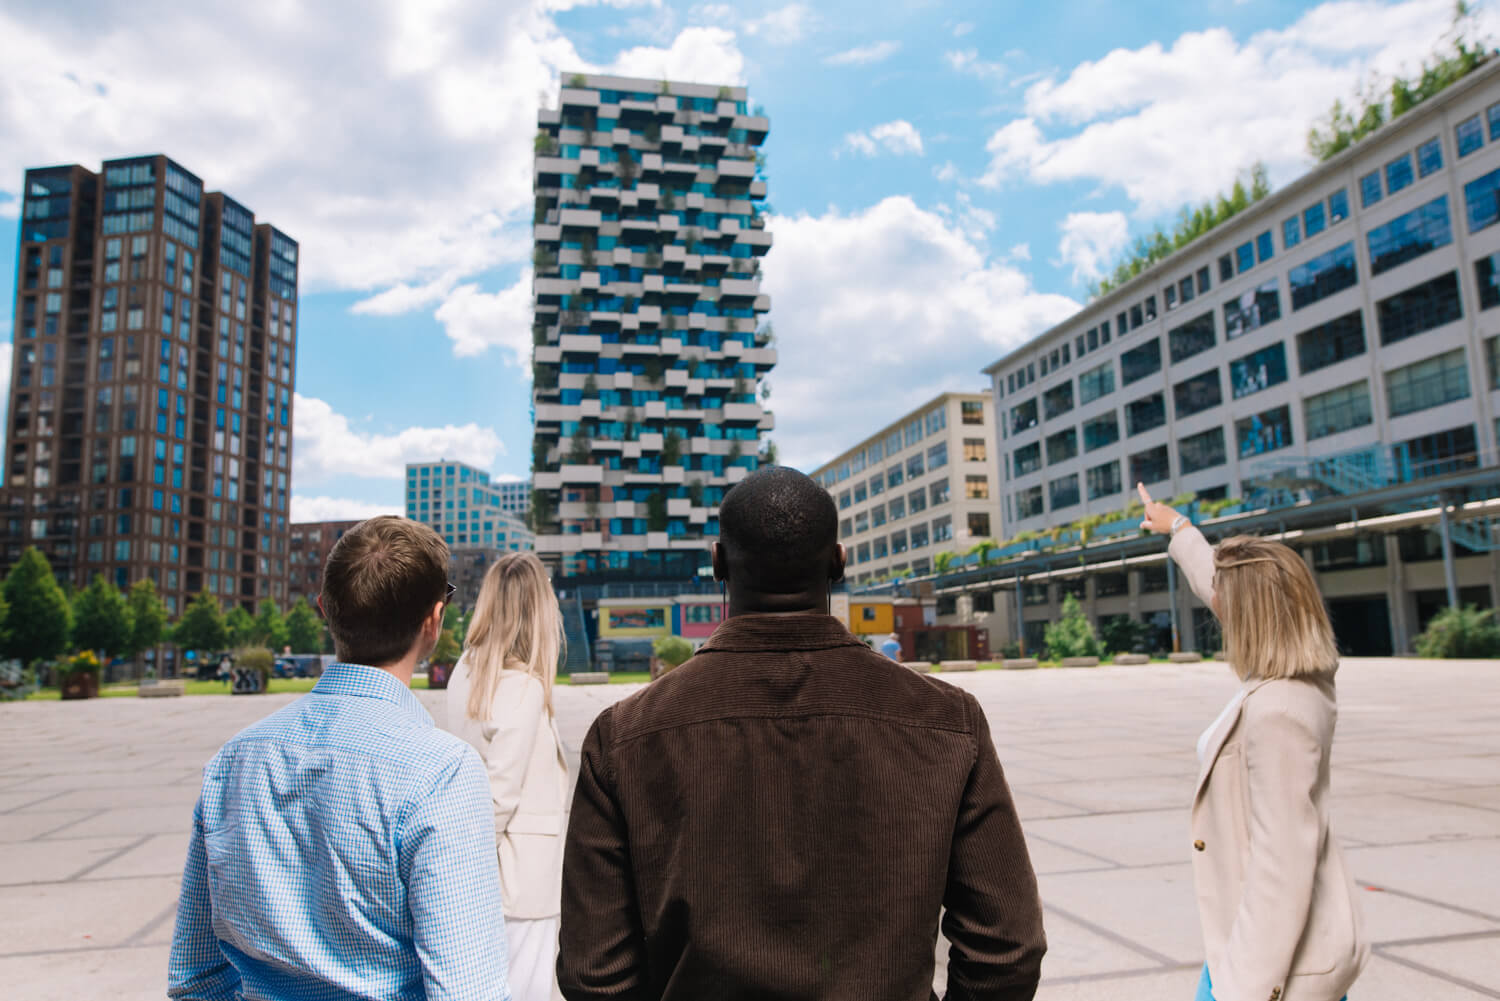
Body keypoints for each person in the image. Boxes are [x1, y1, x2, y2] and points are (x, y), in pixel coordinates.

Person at [558, 467, 1045, 1001]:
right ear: (838, 562)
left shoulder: (623, 737)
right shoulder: (947, 721)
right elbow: (1007, 949)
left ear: (718, 562)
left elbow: (595, 974)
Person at [168, 516, 510, 1001]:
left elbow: (195, 976)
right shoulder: (441, 771)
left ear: (324, 609)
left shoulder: (235, 759)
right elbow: (467, 991)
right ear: (434, 620)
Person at [1137, 484, 1368, 1001]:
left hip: (1272, 966)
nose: (1214, 602)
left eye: (1224, 600)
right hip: (1266, 949)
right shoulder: (1304, 677)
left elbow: (1281, 864)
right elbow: (1217, 582)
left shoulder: (1279, 712)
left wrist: (1243, 988)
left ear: (1249, 615)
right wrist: (1177, 527)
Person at [446, 553, 570, 1001]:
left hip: (491, 882)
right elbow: (499, 796)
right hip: (523, 881)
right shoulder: (524, 687)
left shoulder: (466, 670)